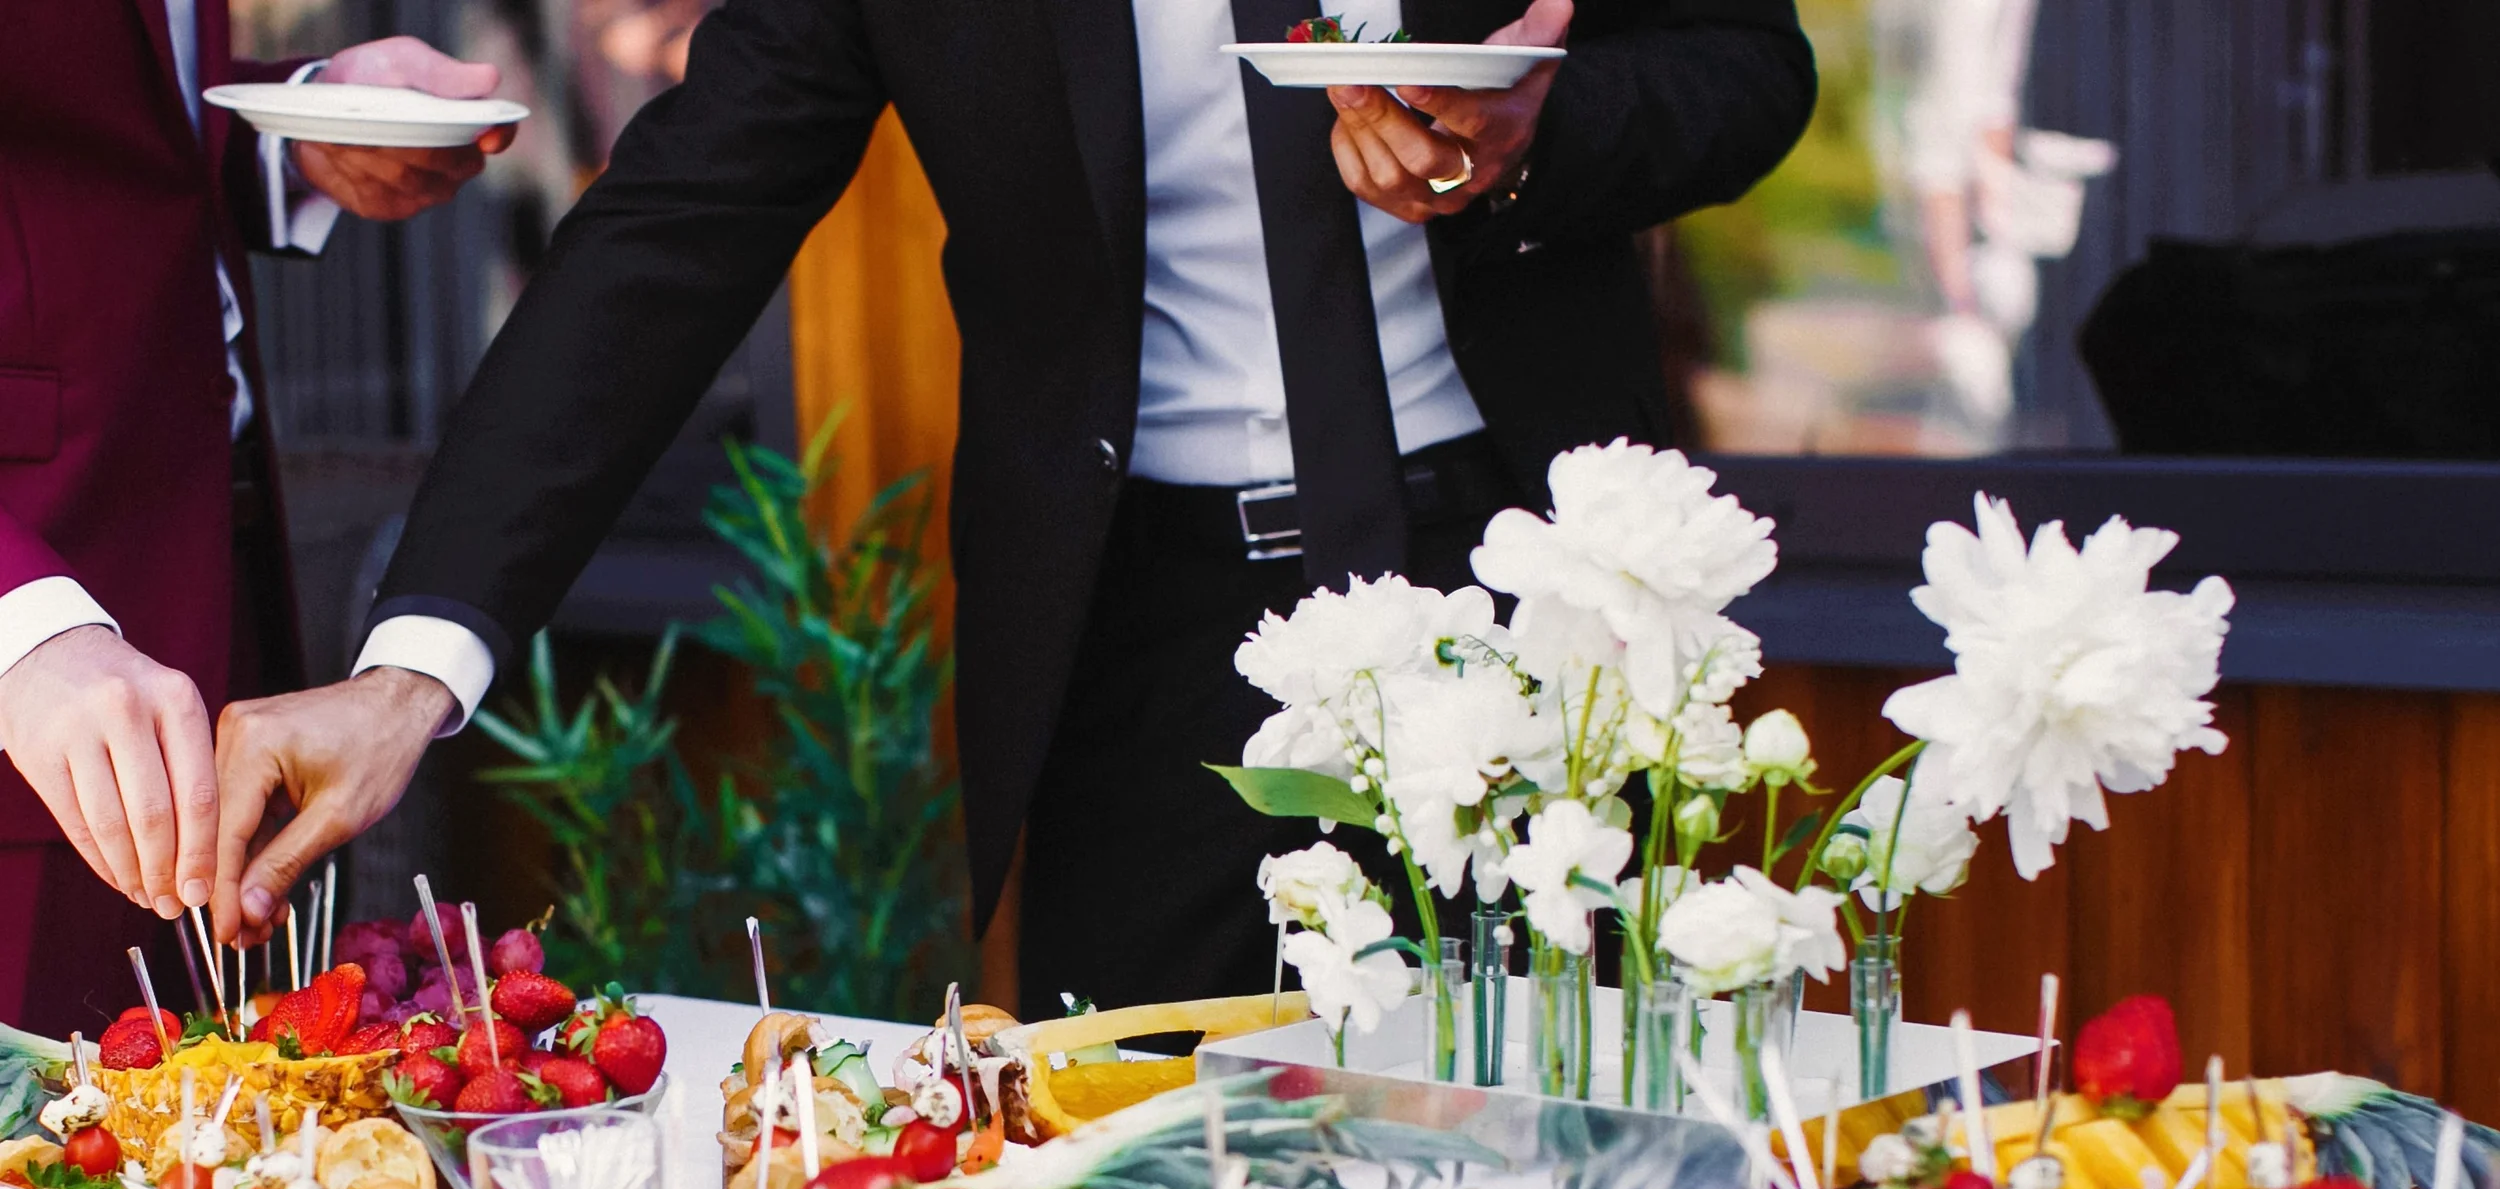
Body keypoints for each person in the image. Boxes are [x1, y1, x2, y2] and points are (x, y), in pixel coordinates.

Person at [209, 0, 1817, 1010]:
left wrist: (1538, 135)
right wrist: (412, 664)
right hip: (1154, 642)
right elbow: (673, 230)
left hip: (1523, 574)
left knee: (1578, 1148)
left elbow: (1747, 63)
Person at [0, 11, 508, 1030]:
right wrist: (16, 615)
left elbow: (92, 132)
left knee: (204, 1156)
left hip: (210, 575)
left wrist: (288, 133)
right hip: (38, 637)